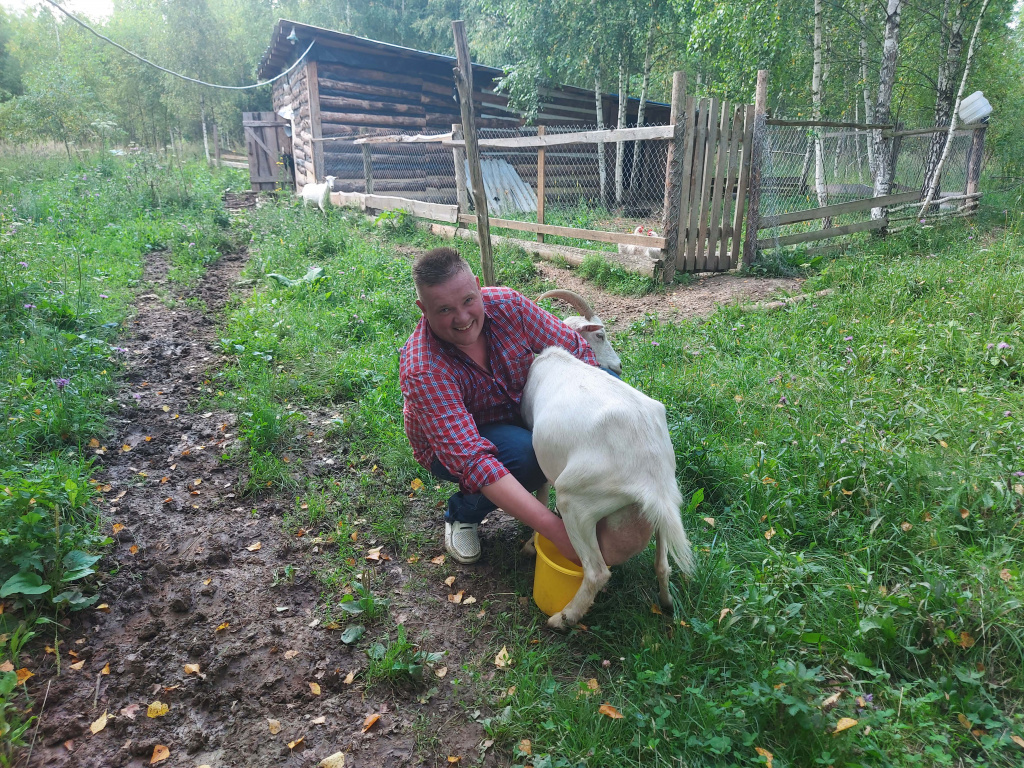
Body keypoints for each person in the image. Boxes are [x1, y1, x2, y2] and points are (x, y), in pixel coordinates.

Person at [399, 246, 597, 565]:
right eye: (444, 310)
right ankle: (462, 514)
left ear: (478, 285)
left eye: (468, 300)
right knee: (528, 457)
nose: (462, 319)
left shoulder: (509, 305)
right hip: (450, 446)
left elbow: (576, 351)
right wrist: (559, 534)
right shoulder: (423, 368)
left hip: (514, 413)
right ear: (423, 308)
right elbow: (472, 460)